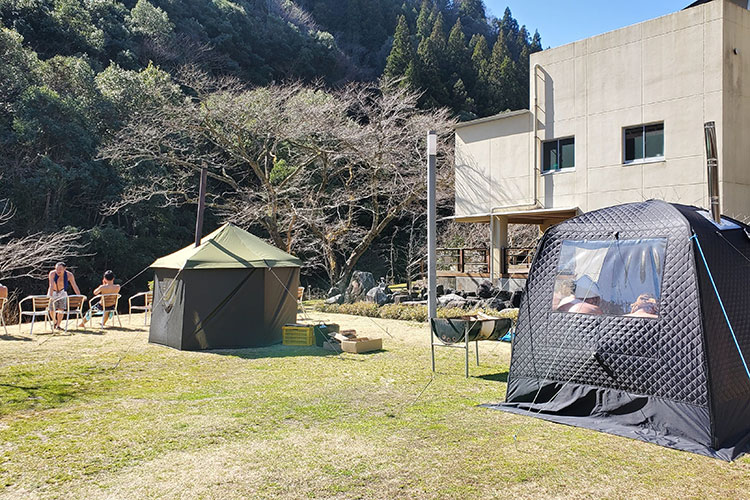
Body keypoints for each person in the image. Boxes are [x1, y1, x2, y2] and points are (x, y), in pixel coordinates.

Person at [47, 262, 81, 330]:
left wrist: (79, 296)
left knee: (61, 309)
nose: (58, 271)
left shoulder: (69, 275)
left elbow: (74, 285)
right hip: (53, 291)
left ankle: (58, 325)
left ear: (64, 269)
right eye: (57, 269)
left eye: (60, 269)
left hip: (62, 291)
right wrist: (49, 296)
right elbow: (51, 285)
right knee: (51, 309)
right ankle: (55, 321)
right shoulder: (52, 274)